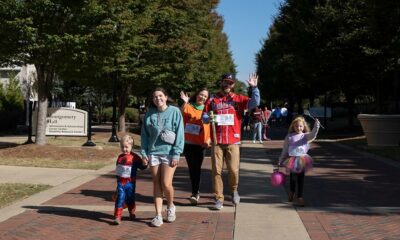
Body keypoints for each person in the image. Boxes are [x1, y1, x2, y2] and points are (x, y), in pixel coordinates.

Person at [203, 73, 260, 210]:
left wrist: (255, 88)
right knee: (216, 171)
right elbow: (204, 116)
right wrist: (207, 118)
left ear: (233, 85)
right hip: (217, 141)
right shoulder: (212, 100)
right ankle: (219, 198)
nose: (227, 85)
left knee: (233, 170)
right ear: (221, 82)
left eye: (230, 82)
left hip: (233, 141)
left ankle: (234, 190)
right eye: (225, 82)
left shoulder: (238, 99)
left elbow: (255, 103)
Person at [140, 87, 184, 227]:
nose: (158, 99)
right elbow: (144, 136)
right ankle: (158, 215)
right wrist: (144, 153)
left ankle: (171, 206)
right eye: (155, 97)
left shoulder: (175, 111)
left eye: (160, 96)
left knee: (166, 183)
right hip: (153, 152)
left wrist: (177, 152)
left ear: (166, 97)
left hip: (169, 153)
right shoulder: (149, 114)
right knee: (157, 184)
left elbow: (180, 133)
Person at [278, 116, 320, 207]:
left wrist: (316, 125)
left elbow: (313, 134)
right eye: (296, 126)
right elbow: (285, 149)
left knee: (301, 179)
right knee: (293, 179)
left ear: (303, 127)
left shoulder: (305, 136)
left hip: (302, 160)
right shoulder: (289, 136)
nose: (298, 128)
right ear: (293, 127)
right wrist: (280, 160)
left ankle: (300, 197)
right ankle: (292, 192)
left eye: (300, 126)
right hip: (292, 160)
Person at [180, 88, 211, 205]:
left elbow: (211, 126)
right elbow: (181, 113)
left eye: (205, 96)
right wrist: (185, 102)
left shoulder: (207, 110)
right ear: (196, 94)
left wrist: (209, 139)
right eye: (201, 95)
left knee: (196, 169)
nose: (202, 97)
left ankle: (194, 193)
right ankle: (195, 191)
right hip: (188, 143)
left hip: (200, 144)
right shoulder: (188, 105)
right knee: (191, 168)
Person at [113, 135, 148, 225]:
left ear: (131, 146)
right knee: (120, 198)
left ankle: (131, 212)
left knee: (130, 199)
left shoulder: (135, 157)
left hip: (130, 183)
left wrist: (145, 163)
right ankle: (117, 216)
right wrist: (117, 183)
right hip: (121, 183)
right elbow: (118, 170)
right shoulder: (120, 157)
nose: (124, 149)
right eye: (122, 147)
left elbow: (142, 167)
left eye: (126, 147)